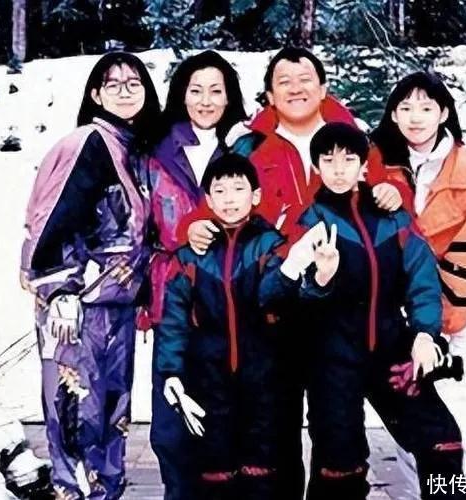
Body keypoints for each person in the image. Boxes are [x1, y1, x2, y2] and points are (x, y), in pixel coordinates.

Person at [183, 47, 405, 499]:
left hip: (338, 307)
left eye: (305, 79)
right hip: (272, 306)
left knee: (337, 425)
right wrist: (195, 226)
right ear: (269, 94)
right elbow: (215, 199)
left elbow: (389, 192)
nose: (296, 88)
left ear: (323, 88)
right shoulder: (248, 146)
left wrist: (394, 190)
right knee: (276, 425)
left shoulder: (354, 139)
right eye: (284, 81)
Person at [277, 122, 466, 500]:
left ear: (364, 165)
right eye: (328, 160)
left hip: (390, 350)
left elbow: (422, 280)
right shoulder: (306, 221)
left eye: (349, 159)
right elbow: (286, 297)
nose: (338, 169)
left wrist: (425, 334)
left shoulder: (393, 219)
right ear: (315, 166)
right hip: (331, 360)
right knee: (339, 463)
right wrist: (319, 280)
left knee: (441, 441)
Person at [19, 51, 160, 500]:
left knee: (113, 412)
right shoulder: (87, 143)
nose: (124, 91)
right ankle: (73, 493)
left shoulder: (131, 148)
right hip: (78, 306)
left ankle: (105, 493)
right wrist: (60, 289)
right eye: (112, 83)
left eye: (134, 82)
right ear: (96, 94)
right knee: (77, 410)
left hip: (117, 303)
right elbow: (50, 217)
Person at [370, 71, 466, 499]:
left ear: (444, 113)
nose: (415, 117)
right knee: (415, 405)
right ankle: (425, 490)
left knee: (463, 401)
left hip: (461, 309)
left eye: (426, 107)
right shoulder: (378, 163)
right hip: (407, 312)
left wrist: (436, 325)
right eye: (405, 107)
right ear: (393, 114)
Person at [155, 154, 312, 500]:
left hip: (265, 376)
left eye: (238, 189)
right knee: (215, 460)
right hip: (209, 376)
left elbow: (278, 296)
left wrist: (292, 271)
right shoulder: (190, 256)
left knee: (264, 459)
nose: (229, 198)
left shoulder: (270, 245)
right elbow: (174, 320)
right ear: (208, 200)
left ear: (255, 196)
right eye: (220, 190)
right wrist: (172, 373)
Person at [145, 50, 251, 500]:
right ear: (180, 95)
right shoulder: (156, 149)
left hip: (235, 301)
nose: (206, 101)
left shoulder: (246, 146)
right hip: (174, 298)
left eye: (216, 91)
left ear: (230, 97)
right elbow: (138, 224)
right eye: (196, 90)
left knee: (236, 418)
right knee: (173, 420)